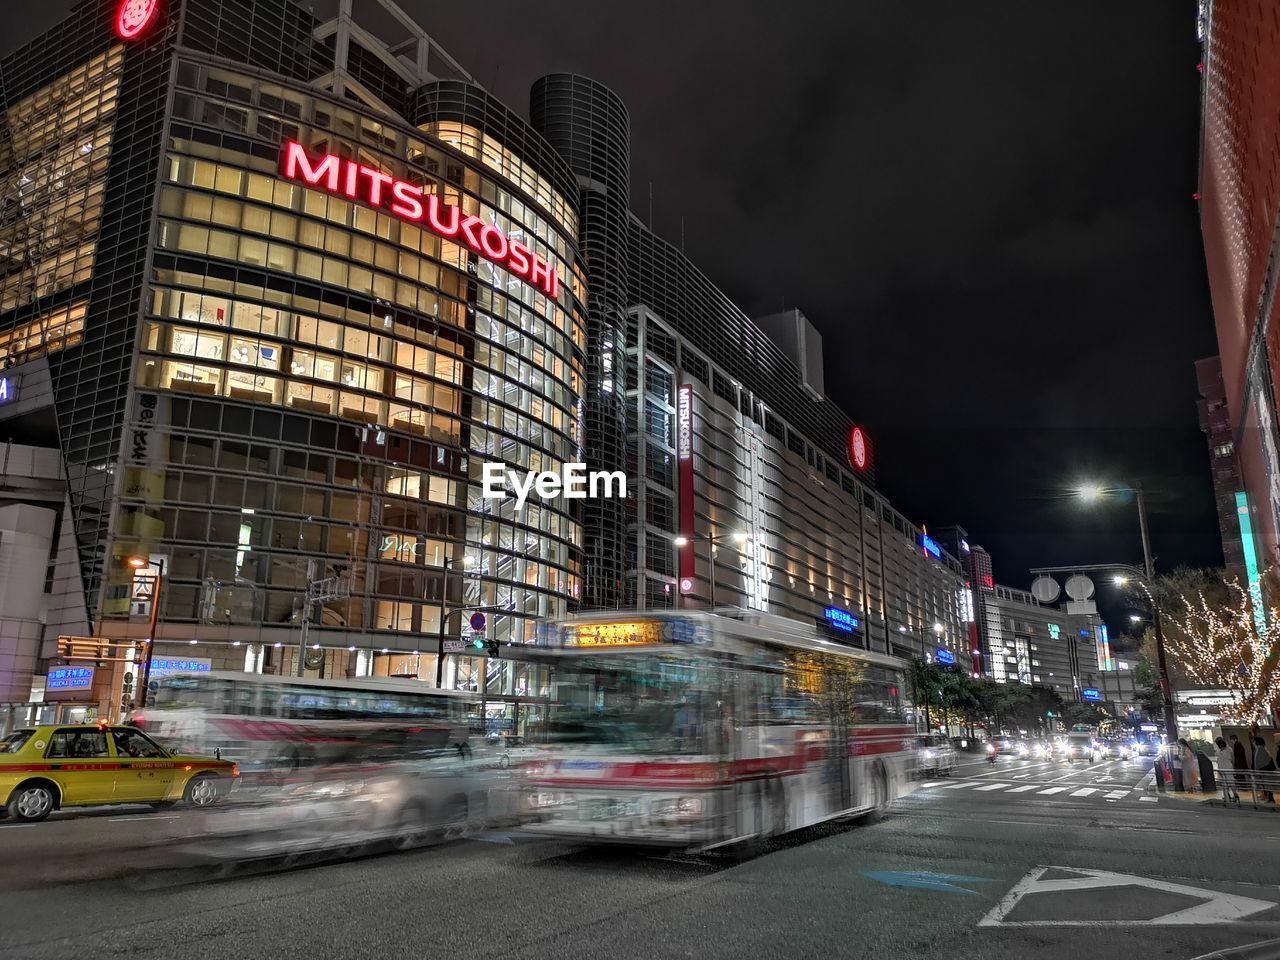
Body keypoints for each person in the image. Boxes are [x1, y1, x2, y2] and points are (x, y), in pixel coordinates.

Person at [1215, 737, 1238, 803]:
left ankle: (1228, 796)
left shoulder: (1220, 752)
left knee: (1226, 784)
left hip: (1224, 769)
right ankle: (1234, 795)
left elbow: (1218, 757)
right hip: (1229, 768)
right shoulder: (1229, 750)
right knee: (1231, 783)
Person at [1254, 736, 1277, 802]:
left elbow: (1258, 763)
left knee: (1267, 785)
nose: (1253, 743)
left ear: (1256, 742)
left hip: (1264, 771)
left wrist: (1256, 772)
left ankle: (1270, 798)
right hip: (1267, 771)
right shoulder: (1264, 749)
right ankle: (1269, 797)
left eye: (1254, 741)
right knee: (1267, 785)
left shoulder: (1259, 750)